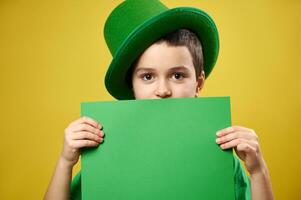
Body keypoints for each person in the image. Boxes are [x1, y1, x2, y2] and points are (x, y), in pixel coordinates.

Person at [44, 0, 274, 199]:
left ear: (199, 83)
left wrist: (258, 171)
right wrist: (66, 162)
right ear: (132, 87)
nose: (162, 90)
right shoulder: (106, 153)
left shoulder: (221, 155)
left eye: (177, 75)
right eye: (147, 76)